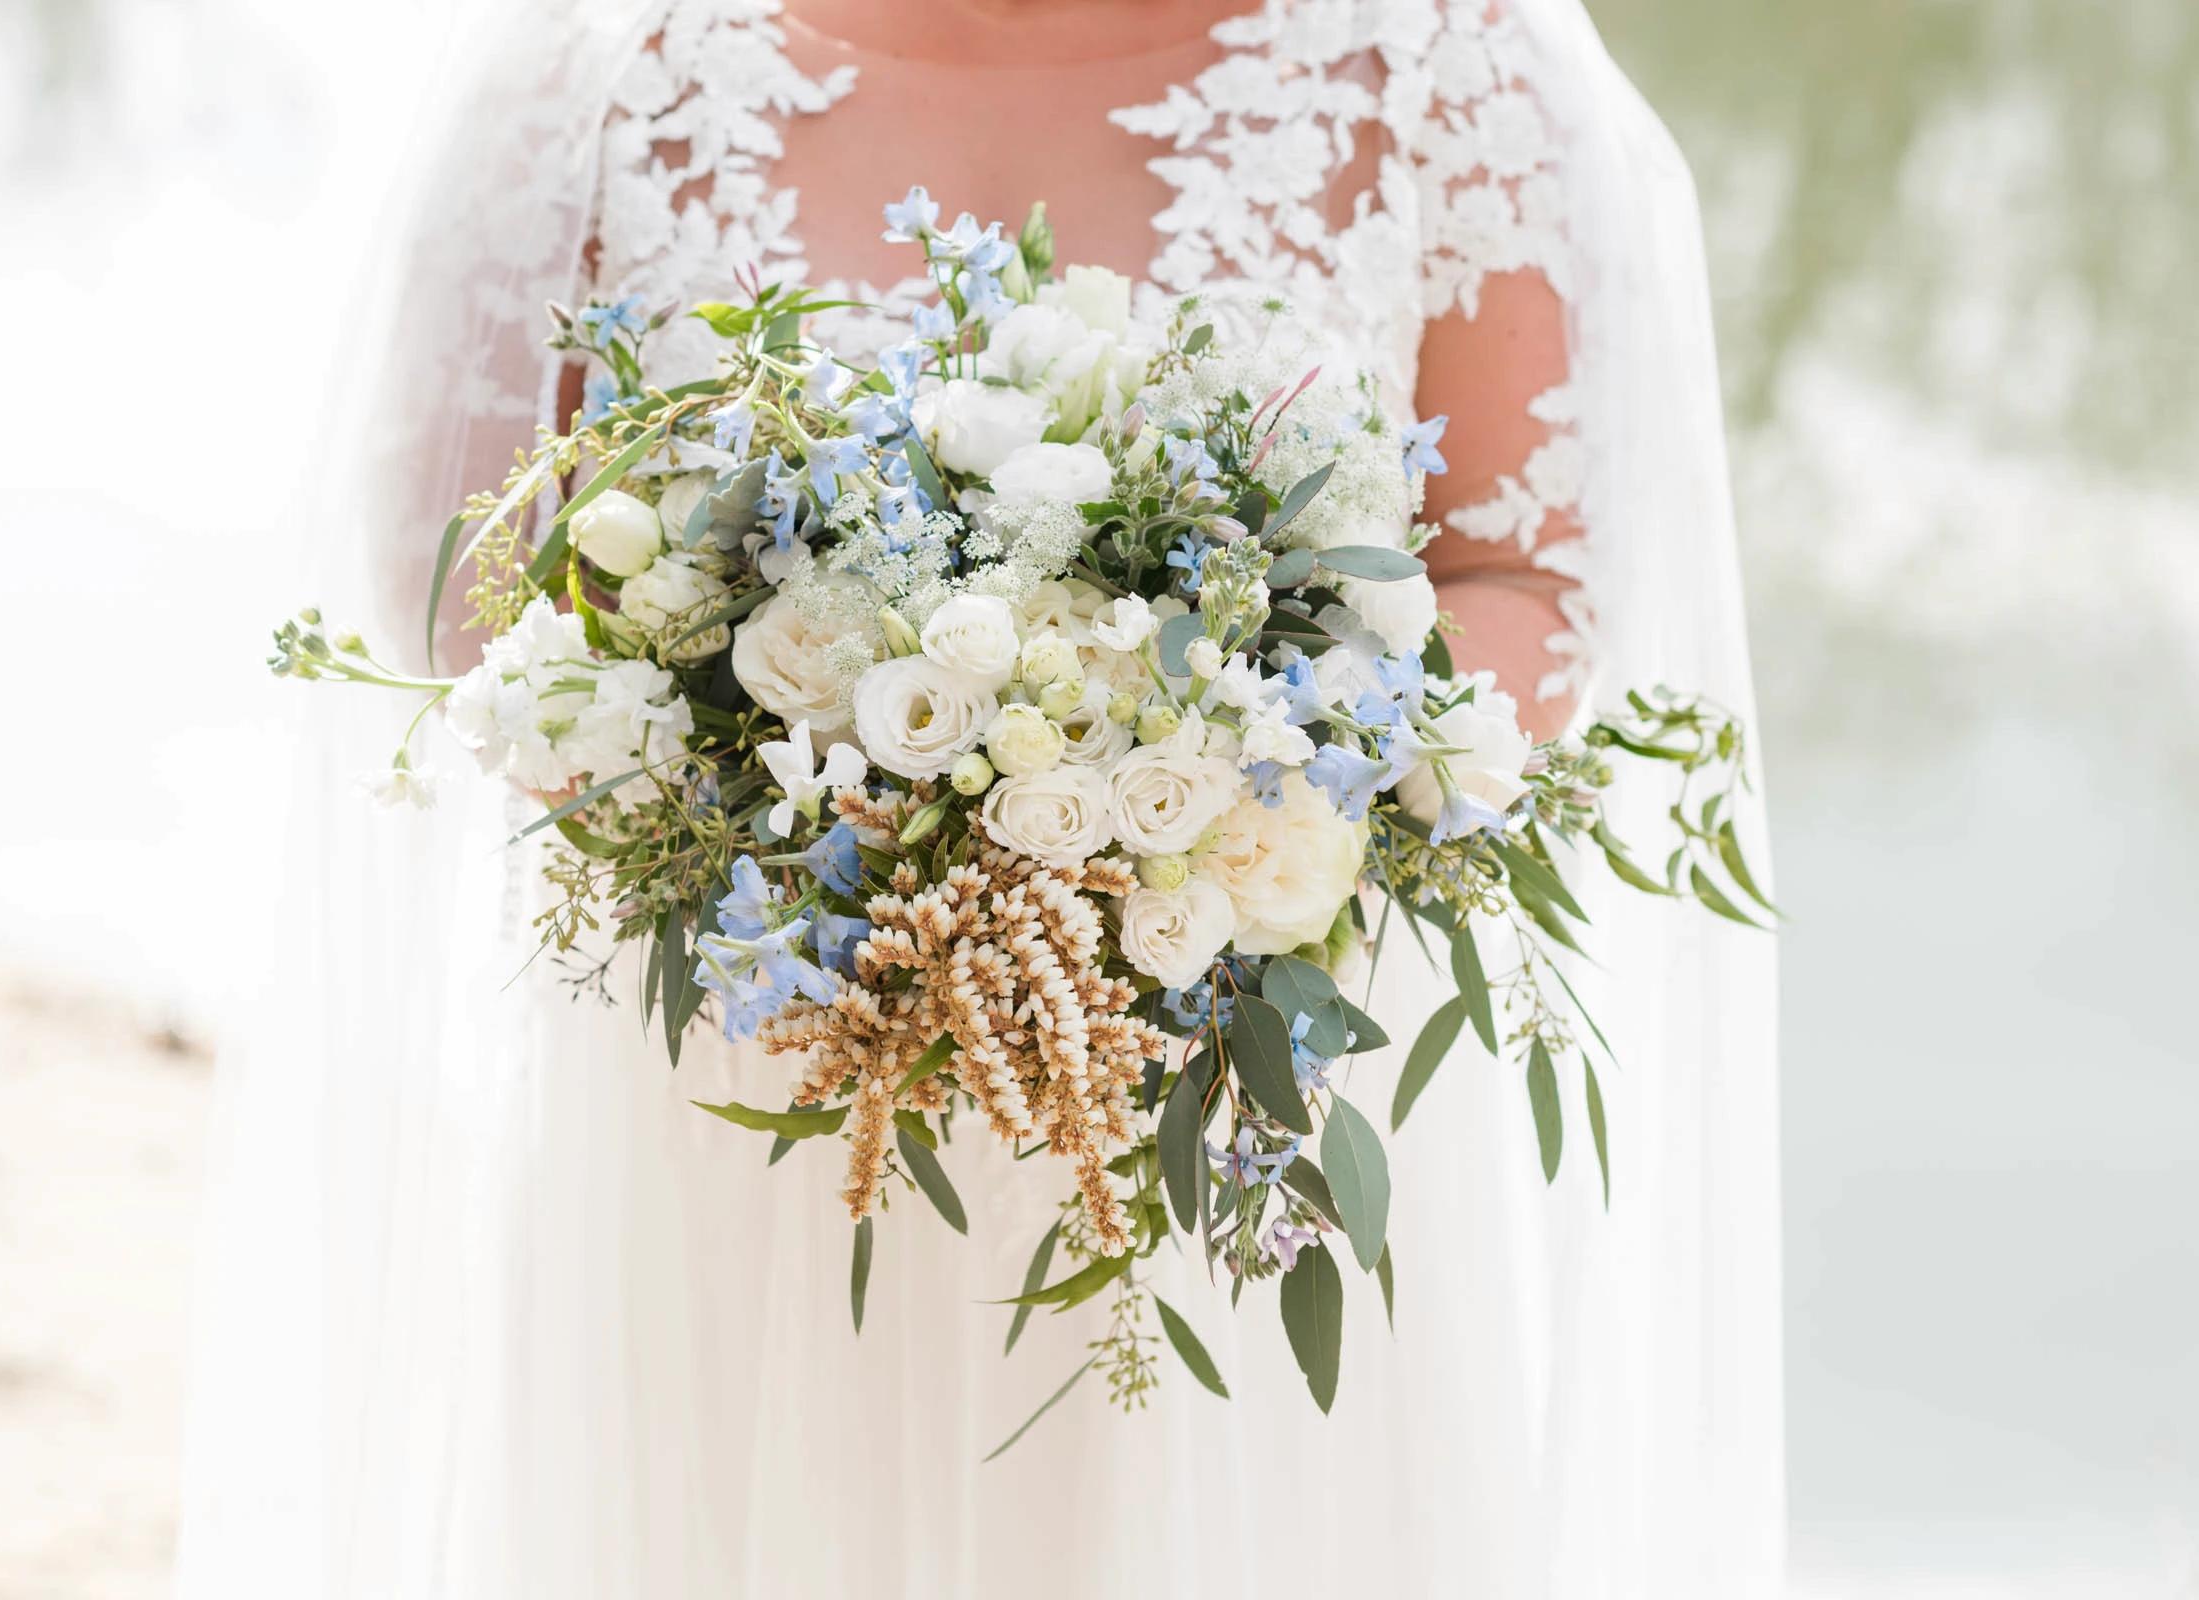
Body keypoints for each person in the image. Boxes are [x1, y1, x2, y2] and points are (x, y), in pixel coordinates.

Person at [179, 2, 1782, 1593]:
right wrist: (755, 789)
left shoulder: (1451, 61)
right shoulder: (593, 75)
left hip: (1231, 1106)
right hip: (741, 1080)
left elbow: (1522, 567)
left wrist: (1211, 804)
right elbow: (460, 576)